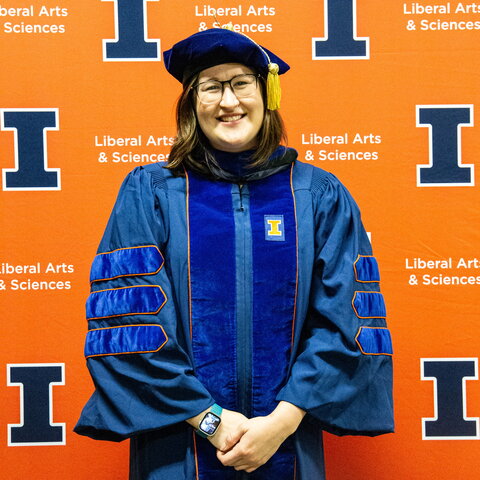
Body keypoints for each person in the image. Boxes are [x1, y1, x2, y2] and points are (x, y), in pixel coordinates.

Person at [75, 27, 393, 480]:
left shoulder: (319, 195)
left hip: (288, 444)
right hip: (178, 447)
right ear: (191, 103)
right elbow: (130, 327)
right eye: (211, 87)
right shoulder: (151, 193)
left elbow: (347, 322)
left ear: (267, 95)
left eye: (242, 83)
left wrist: (280, 424)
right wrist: (211, 422)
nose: (229, 102)